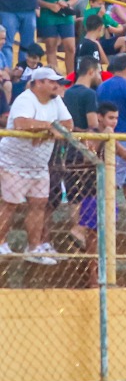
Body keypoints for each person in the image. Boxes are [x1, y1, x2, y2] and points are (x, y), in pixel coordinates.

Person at [0, 66, 71, 263]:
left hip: (38, 164)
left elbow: (68, 124)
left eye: (58, 82)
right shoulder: (25, 99)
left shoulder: (56, 101)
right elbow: (22, 123)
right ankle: (0, 244)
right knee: (11, 204)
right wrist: (49, 127)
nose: (57, 85)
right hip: (13, 161)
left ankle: (33, 248)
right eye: (52, 82)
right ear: (38, 83)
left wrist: (45, 131)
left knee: (39, 204)